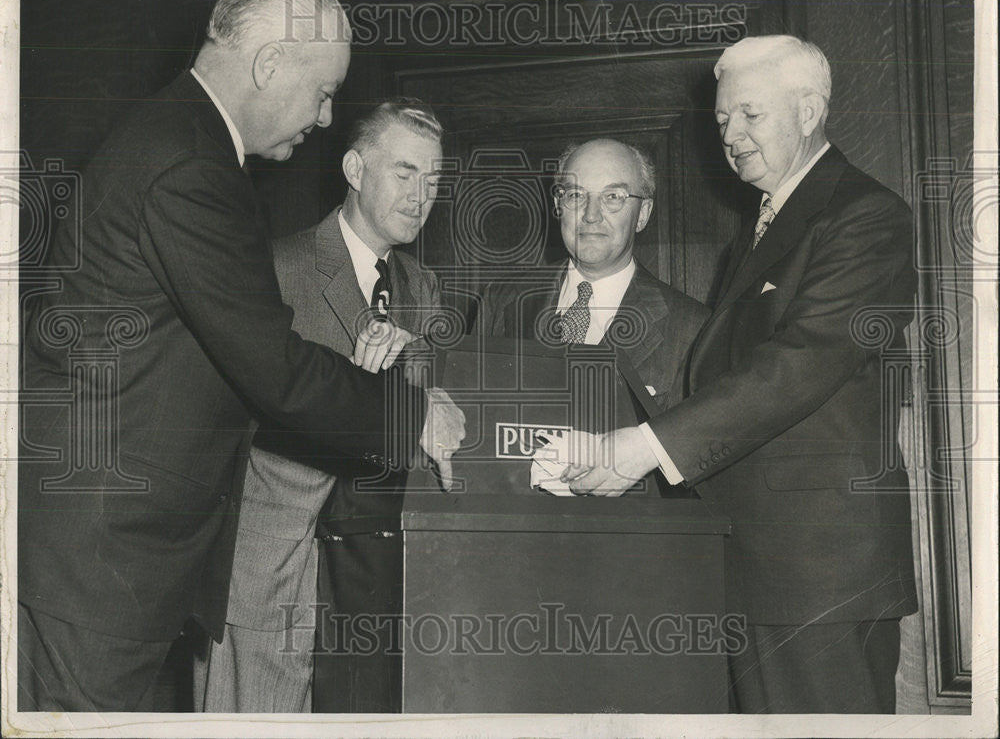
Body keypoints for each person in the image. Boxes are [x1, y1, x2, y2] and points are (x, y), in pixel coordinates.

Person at [18, 0, 463, 713]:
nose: (325, 118)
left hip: (103, 549)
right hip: (103, 557)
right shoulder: (191, 164)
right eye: (323, 93)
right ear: (268, 66)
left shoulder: (176, 139)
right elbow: (274, 369)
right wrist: (412, 414)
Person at [563, 36, 918, 713]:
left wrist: (644, 447)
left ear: (809, 111)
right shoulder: (760, 232)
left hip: (818, 580)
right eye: (724, 121)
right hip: (760, 572)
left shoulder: (865, 216)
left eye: (750, 115)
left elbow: (804, 360)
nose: (732, 135)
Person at [195, 99, 446, 713]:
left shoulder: (423, 286)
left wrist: (412, 357)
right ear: (355, 170)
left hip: (370, 578)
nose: (421, 196)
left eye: (434, 181)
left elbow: (437, 417)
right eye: (405, 173)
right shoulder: (275, 266)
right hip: (271, 567)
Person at [477, 138, 709, 429]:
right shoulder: (501, 300)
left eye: (613, 197)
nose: (590, 215)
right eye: (576, 195)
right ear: (558, 205)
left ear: (643, 215)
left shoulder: (692, 328)